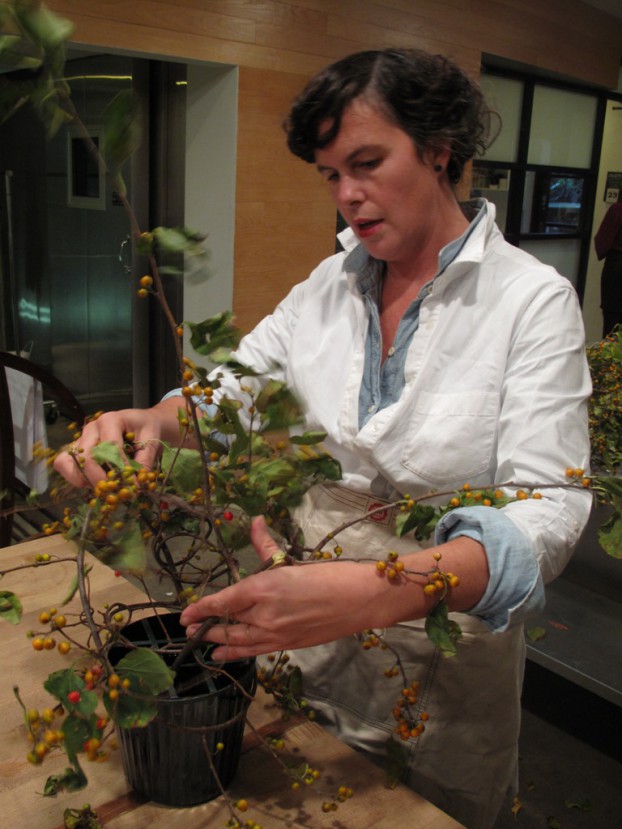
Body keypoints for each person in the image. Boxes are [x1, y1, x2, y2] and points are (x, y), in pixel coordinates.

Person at [54, 49, 592, 829]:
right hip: (304, 631)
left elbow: (546, 510)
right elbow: (230, 394)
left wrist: (370, 593)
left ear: (438, 148)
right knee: (303, 795)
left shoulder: (530, 301)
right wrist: (150, 421)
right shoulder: (328, 285)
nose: (347, 198)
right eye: (329, 176)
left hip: (446, 664)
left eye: (366, 164)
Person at [594, 191, 622, 338]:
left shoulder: (617, 209)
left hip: (617, 267)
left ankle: (609, 359)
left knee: (612, 322)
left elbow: (602, 243)